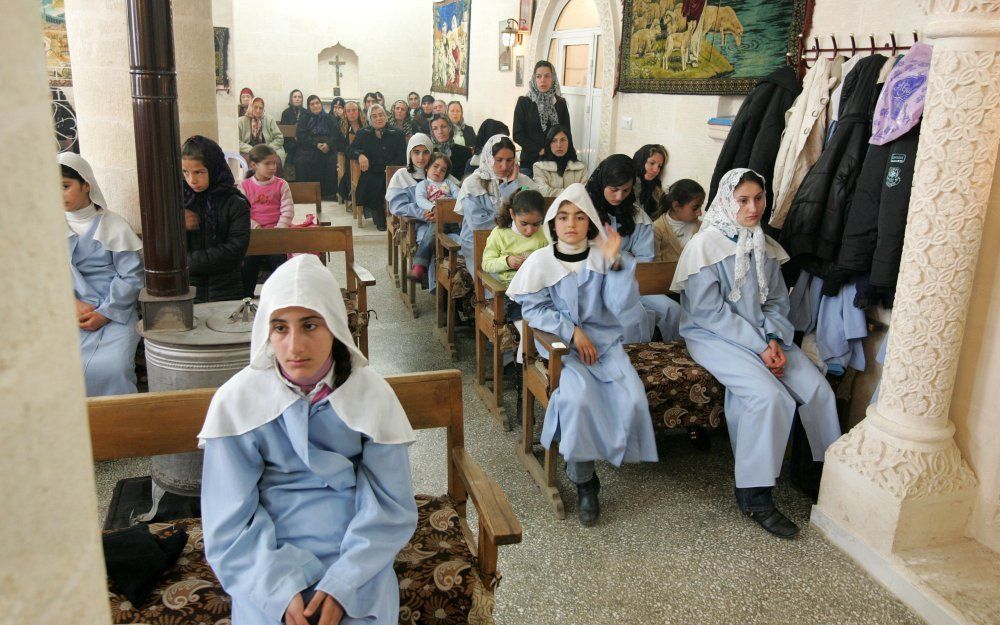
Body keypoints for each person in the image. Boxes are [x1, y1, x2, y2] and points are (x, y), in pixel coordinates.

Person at [200, 254, 418, 625]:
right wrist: (277, 589)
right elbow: (228, 519)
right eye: (280, 328)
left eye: (310, 325)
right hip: (265, 551)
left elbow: (389, 505)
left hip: (357, 543)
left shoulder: (371, 395)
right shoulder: (237, 402)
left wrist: (344, 584)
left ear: (334, 326)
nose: (295, 347)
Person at [672, 168, 841, 538]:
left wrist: (776, 340)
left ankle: (812, 475)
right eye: (743, 200)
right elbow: (709, 313)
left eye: (759, 199)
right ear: (727, 200)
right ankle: (754, 494)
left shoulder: (762, 244)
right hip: (714, 336)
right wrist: (761, 346)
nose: (753, 208)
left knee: (818, 392)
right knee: (767, 397)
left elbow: (778, 302)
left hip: (767, 339)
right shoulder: (706, 246)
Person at [506, 183, 658, 526]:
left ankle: (598, 450)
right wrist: (571, 330)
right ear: (553, 224)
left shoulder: (600, 258)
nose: (571, 224)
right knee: (577, 401)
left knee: (632, 398)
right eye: (563, 217)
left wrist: (616, 262)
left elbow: (623, 306)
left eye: (578, 216)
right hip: (562, 351)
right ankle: (585, 481)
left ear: (589, 222)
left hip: (604, 347)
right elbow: (534, 310)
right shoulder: (541, 261)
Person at [60, 152, 144, 397]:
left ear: (86, 185)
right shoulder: (46, 226)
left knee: (112, 368)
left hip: (115, 311)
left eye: (65, 186)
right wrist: (71, 303)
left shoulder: (113, 225)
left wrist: (105, 313)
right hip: (67, 313)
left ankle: (120, 430)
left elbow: (131, 277)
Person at [587, 154, 681, 341]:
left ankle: (668, 359)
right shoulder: (584, 212)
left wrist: (618, 257)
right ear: (602, 182)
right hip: (592, 283)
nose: (619, 196)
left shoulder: (636, 215)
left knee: (673, 310)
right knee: (633, 316)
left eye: (626, 190)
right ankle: (629, 361)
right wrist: (624, 256)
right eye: (613, 189)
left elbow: (645, 259)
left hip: (630, 279)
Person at [181, 135, 251, 303]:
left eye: (199, 172)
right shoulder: (179, 204)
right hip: (187, 291)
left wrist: (185, 262)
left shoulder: (235, 204)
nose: (192, 180)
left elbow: (234, 251)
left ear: (214, 168)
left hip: (227, 290)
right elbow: (162, 250)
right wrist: (177, 227)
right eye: (185, 172)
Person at [455, 134, 536, 271]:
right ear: (488, 158)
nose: (504, 166)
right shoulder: (472, 184)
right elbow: (479, 225)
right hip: (480, 243)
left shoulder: (524, 182)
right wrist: (509, 189)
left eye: (509, 160)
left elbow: (534, 215)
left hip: (518, 241)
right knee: (500, 278)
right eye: (499, 160)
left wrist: (512, 184)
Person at [240, 144, 293, 297]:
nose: (272, 167)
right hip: (254, 234)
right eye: (267, 163)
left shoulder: (281, 184)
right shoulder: (245, 186)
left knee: (278, 259)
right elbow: (243, 213)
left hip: (276, 233)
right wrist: (255, 226)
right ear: (254, 165)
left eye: (274, 163)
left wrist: (279, 228)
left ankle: (281, 296)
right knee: (249, 261)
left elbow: (288, 209)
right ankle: (246, 297)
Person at [350, 104, 406, 231]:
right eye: (374, 116)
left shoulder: (397, 134)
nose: (378, 118)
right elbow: (350, 150)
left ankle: (394, 216)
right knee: (374, 182)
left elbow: (402, 156)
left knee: (390, 182)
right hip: (372, 172)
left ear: (386, 117)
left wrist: (392, 169)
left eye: (381, 115)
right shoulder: (363, 133)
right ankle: (380, 215)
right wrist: (360, 155)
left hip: (392, 171)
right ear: (370, 119)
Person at [481, 187, 548, 289]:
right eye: (524, 223)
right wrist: (507, 261)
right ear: (512, 214)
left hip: (540, 286)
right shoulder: (499, 234)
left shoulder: (544, 233)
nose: (529, 230)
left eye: (536, 224)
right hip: (510, 288)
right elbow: (486, 264)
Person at [513, 60, 571, 176]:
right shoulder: (524, 102)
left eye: (547, 76)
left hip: (555, 162)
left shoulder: (560, 103)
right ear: (534, 79)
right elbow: (517, 134)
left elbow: (567, 133)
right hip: (530, 162)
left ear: (553, 79)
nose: (543, 80)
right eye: (539, 76)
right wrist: (540, 150)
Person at [409, 151, 461, 280]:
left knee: (464, 237)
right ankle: (419, 266)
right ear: (427, 167)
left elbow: (460, 195)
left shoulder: (448, 184)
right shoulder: (423, 184)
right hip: (436, 220)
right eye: (435, 166)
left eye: (443, 170)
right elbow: (420, 200)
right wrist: (434, 208)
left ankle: (460, 271)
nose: (438, 171)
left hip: (454, 220)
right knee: (430, 237)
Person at [295, 95, 337, 199]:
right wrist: (316, 144)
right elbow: (301, 136)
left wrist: (328, 145)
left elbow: (335, 134)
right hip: (309, 146)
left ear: (321, 104)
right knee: (302, 161)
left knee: (332, 160)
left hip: (327, 147)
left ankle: (329, 194)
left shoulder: (329, 118)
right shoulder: (304, 118)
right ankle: (307, 194)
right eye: (312, 104)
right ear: (309, 106)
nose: (315, 106)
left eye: (317, 103)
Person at [653, 179, 705, 263]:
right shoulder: (657, 229)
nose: (700, 213)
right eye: (695, 208)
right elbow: (655, 264)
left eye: (700, 207)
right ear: (676, 206)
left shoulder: (700, 227)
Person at [532, 124, 586, 196]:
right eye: (554, 141)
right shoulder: (539, 167)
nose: (559, 145)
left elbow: (585, 193)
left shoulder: (581, 168)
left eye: (563, 140)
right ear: (549, 144)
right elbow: (544, 192)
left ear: (569, 143)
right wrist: (573, 193)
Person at [239, 97, 286, 166]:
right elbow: (236, 141)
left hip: (267, 150)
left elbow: (279, 138)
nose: (258, 110)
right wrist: (252, 150)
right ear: (251, 107)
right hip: (248, 151)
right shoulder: (241, 121)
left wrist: (267, 148)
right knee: (250, 162)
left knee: (275, 162)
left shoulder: (269, 120)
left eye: (260, 108)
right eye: (255, 107)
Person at [429, 114, 471, 181]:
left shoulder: (465, 152)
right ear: (432, 132)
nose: (440, 131)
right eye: (435, 128)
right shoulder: (429, 153)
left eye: (443, 127)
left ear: (450, 127)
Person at [633, 144, 668, 218]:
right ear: (640, 161)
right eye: (652, 163)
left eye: (659, 166)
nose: (656, 170)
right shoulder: (628, 184)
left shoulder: (656, 187)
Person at [280, 89, 306, 167]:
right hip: (290, 142)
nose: (297, 99)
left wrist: (300, 138)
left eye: (299, 97)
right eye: (295, 97)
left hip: (303, 142)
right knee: (294, 150)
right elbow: (283, 131)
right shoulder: (286, 113)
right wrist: (293, 137)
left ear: (302, 99)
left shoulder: (306, 112)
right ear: (291, 99)